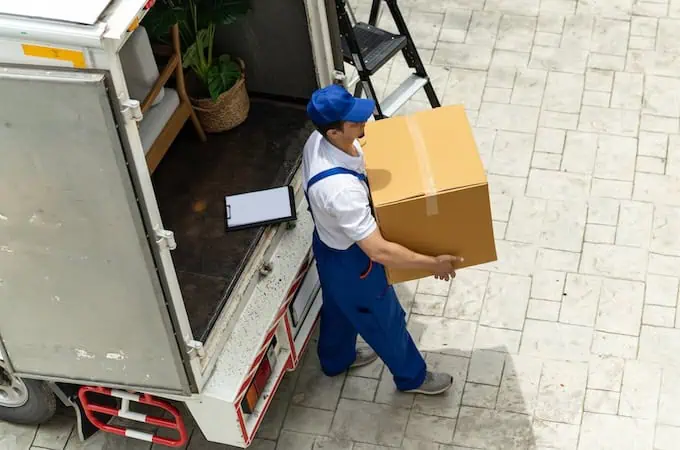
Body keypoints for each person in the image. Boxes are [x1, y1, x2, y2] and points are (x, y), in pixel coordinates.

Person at [302, 84, 462, 395]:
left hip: (328, 246)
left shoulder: (318, 139)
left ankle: (336, 360)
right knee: (385, 321)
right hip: (353, 262)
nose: (364, 123)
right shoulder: (340, 191)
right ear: (334, 133)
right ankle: (413, 378)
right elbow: (379, 251)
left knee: (337, 307)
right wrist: (433, 263)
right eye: (355, 122)